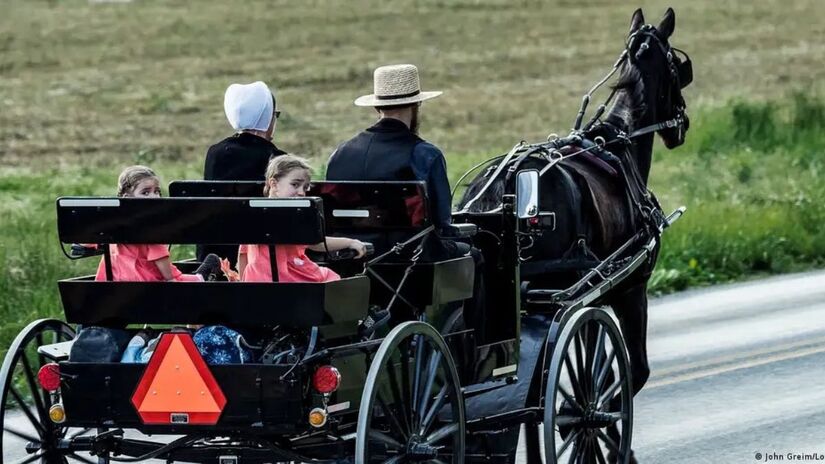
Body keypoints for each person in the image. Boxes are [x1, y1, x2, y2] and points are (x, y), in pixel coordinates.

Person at [326, 64, 486, 337]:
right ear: (415, 106)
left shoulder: (340, 154)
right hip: (410, 263)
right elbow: (442, 224)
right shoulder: (424, 154)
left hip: (349, 260)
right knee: (476, 255)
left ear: (377, 108)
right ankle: (474, 341)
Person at [237, 155, 367, 283]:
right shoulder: (293, 216)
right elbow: (317, 243)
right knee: (331, 279)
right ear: (274, 184)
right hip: (293, 278)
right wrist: (350, 242)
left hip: (258, 281)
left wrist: (244, 286)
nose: (301, 192)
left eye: (305, 188)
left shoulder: (251, 214)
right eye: (295, 184)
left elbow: (243, 255)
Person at [199, 81, 287, 265]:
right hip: (257, 260)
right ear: (267, 117)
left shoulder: (215, 153)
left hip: (214, 255)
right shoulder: (276, 159)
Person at [94, 165, 222, 282]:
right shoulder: (151, 228)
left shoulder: (111, 223)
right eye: (145, 192)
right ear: (127, 198)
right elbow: (165, 269)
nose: (153, 196)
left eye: (156, 192)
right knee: (178, 278)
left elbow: (88, 242)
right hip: (147, 285)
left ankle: (199, 277)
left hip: (113, 284)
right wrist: (171, 278)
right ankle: (200, 278)